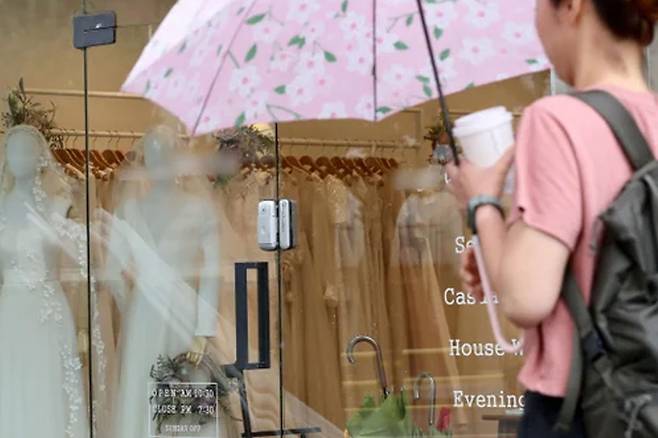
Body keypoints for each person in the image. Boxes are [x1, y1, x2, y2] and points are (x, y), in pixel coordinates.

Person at [446, 1, 658, 437]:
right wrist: (501, 255)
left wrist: (481, 202)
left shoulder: (557, 120)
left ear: (573, 7)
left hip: (584, 405)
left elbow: (525, 299)